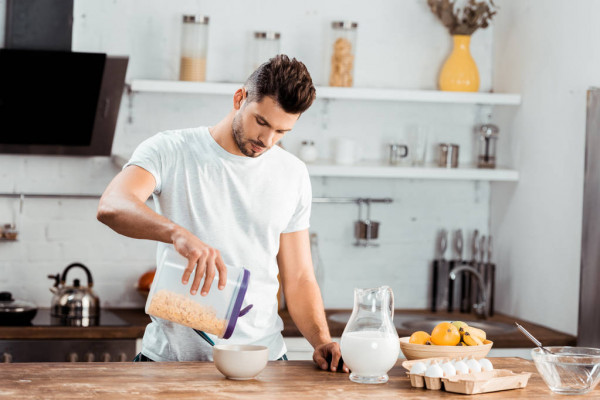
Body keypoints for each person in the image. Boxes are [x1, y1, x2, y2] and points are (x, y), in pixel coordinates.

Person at [97, 54, 347, 372]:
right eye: (262, 122)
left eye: (282, 132)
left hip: (262, 361)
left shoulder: (293, 173)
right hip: (171, 363)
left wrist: (321, 339)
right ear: (239, 98)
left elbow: (298, 278)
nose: (267, 141)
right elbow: (112, 204)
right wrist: (177, 233)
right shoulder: (171, 149)